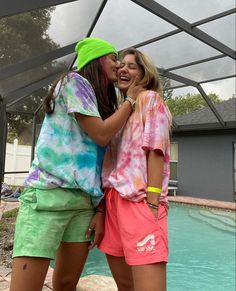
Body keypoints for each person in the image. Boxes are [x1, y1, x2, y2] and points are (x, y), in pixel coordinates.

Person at [9, 38, 141, 291]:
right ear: (97, 59)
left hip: (83, 205)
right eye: (114, 58)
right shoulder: (74, 82)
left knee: (67, 283)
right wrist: (130, 100)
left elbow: (104, 162)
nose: (118, 65)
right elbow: (101, 134)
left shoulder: (100, 102)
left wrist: (100, 210)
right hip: (48, 197)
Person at [98, 48, 172, 291]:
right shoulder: (123, 110)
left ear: (144, 73)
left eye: (131, 66)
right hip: (113, 204)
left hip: (140, 202)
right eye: (121, 65)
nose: (123, 69)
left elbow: (156, 150)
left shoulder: (150, 100)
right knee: (125, 287)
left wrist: (152, 202)